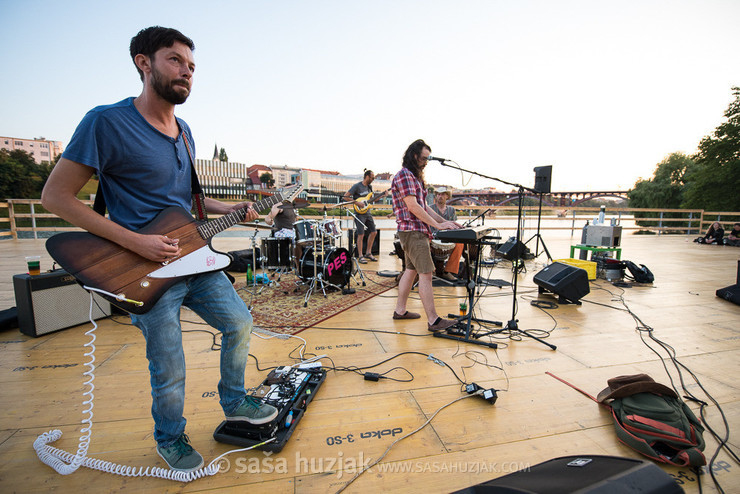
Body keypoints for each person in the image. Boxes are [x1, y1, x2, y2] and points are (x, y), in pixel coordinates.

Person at [41, 26, 277, 473]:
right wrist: (137, 241)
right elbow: (56, 198)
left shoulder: (185, 130)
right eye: (175, 60)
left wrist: (237, 207)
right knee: (168, 363)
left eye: (191, 66)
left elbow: (188, 201)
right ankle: (170, 439)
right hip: (142, 269)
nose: (186, 71)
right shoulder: (105, 122)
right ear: (143, 62)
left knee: (240, 324)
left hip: (194, 257)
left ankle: (234, 400)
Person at [391, 139, 461, 331]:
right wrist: (438, 225)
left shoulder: (415, 179)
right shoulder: (405, 175)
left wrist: (444, 222)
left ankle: (400, 310)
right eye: (423, 158)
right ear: (414, 155)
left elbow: (424, 208)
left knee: (410, 271)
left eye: (428, 159)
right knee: (427, 274)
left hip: (414, 232)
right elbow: (413, 207)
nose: (425, 162)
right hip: (413, 232)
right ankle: (433, 320)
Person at [344, 169, 385, 263]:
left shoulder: (370, 187)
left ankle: (368, 253)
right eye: (372, 177)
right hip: (359, 214)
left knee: (374, 232)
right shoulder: (357, 186)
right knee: (361, 234)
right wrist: (357, 202)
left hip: (368, 213)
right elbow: (345, 196)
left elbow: (371, 200)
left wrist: (382, 196)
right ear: (367, 176)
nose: (373, 179)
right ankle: (360, 256)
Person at [429, 187, 464, 282]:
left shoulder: (451, 210)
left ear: (447, 196)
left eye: (442, 194)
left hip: (447, 237)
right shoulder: (430, 208)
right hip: (432, 236)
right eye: (438, 194)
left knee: (460, 244)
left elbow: (453, 225)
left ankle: (448, 271)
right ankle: (431, 270)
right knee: (423, 242)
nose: (440, 196)